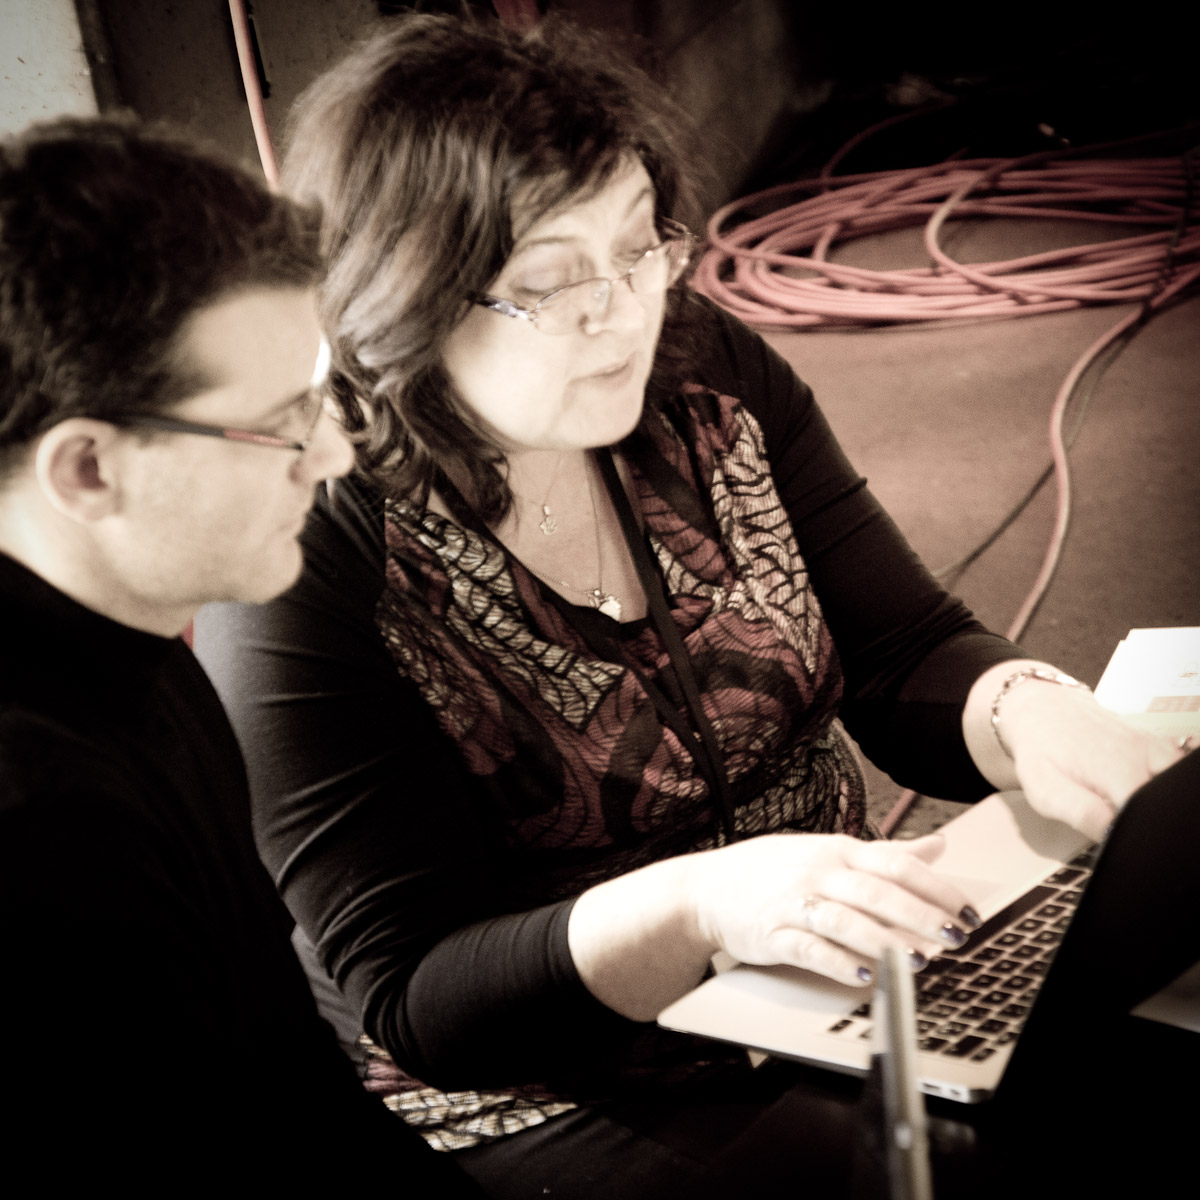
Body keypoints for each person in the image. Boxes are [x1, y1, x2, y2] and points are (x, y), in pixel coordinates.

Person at [193, 13, 1187, 1198]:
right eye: (553, 283)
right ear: (401, 297)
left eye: (638, 248)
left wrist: (1030, 706)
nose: (624, 311)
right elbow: (420, 996)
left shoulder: (703, 372)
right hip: (543, 1084)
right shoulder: (307, 545)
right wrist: (708, 905)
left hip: (817, 965)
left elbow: (904, 648)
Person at [0, 114, 481, 1193]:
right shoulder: (42, 827)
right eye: (284, 421)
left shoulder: (138, 637)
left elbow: (292, 1093)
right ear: (85, 471)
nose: (336, 452)